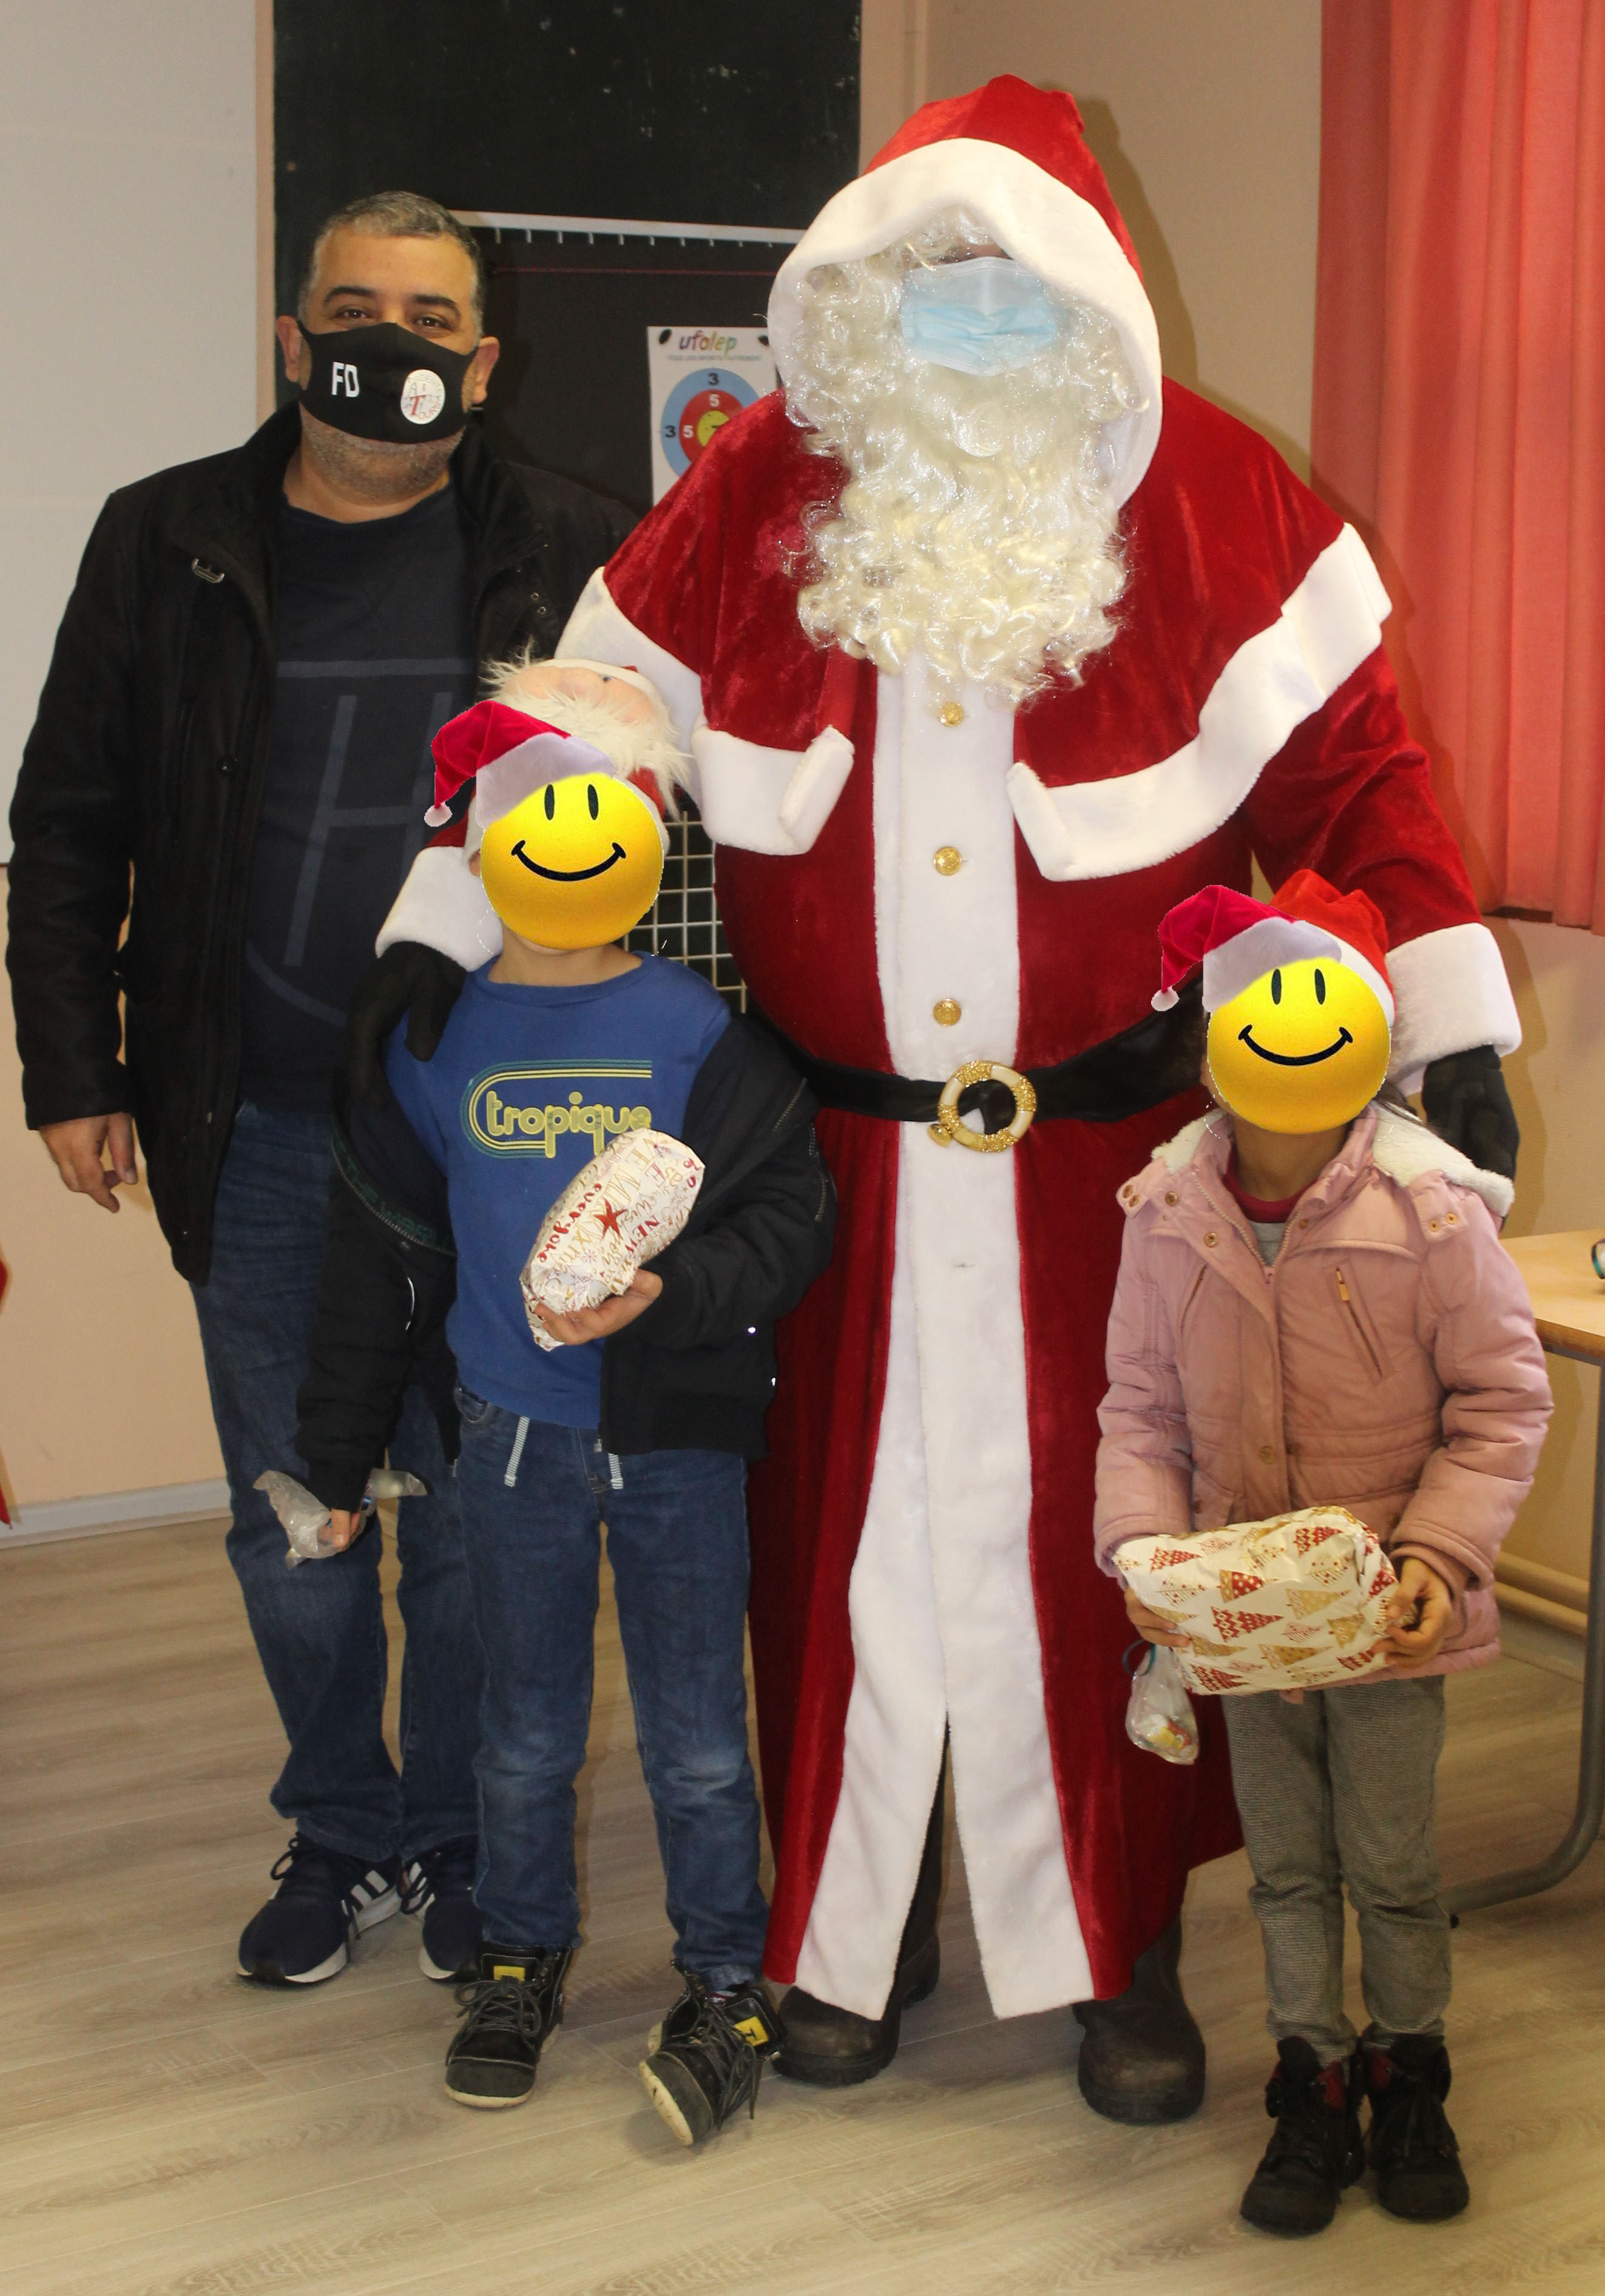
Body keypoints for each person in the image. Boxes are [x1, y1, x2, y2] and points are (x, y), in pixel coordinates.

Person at [352, 81, 1526, 2118]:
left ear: (1088, 299)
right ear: (853, 297)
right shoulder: (750, 503)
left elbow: (1359, 784)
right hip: (826, 1170)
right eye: (927, 280)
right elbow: (575, 737)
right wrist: (429, 954)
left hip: (1119, 1174)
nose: (969, 317)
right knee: (834, 1551)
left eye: (1008, 283)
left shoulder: (1221, 502)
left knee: (1116, 1543)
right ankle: (852, 1919)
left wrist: (1447, 1035)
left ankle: (1115, 1950)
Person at [7, 191, 634, 1988]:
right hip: (260, 1117)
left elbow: (659, 830)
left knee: (475, 1510)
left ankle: (458, 1833)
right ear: (293, 339)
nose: (387, 344)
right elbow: (69, 823)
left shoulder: (574, 548)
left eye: (429, 320)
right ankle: (342, 1827)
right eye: (353, 308)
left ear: (482, 363)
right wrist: (73, 1064)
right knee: (297, 1516)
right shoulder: (165, 539)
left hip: (492, 1122)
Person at [292, 662, 835, 2139]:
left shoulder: (702, 1031)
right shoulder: (434, 1040)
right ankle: (519, 1959)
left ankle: (724, 1981)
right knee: (521, 1732)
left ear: (646, 837)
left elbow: (791, 1217)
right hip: (510, 1436)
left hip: (677, 1444)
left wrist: (676, 1287)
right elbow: (377, 1259)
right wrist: (334, 1459)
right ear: (481, 847)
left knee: (698, 1741)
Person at [1096, 874, 1549, 2233]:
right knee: (1287, 1866)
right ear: (1215, 1042)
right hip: (1248, 1618)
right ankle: (1314, 2076)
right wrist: (1144, 1553)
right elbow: (1140, 1408)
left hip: (1391, 1614)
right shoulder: (1166, 1209)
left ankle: (1411, 2071)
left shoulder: (1433, 1210)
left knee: (1393, 1864)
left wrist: (1438, 1557)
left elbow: (1499, 1401)